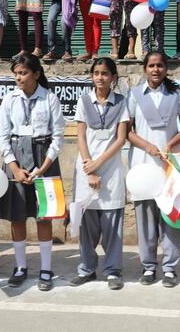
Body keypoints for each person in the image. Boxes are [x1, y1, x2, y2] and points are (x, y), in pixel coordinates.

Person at [0, 53, 65, 290]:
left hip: (43, 157)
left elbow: (57, 136)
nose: (18, 77)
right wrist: (14, 167)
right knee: (17, 216)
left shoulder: (50, 99)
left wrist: (44, 166)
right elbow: (3, 137)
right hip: (16, 158)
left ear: (36, 74)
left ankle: (45, 269)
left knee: (43, 215)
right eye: (16, 73)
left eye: (23, 73)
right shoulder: (9, 100)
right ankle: (21, 266)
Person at [127, 52, 180, 287]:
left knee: (170, 216)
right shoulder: (134, 95)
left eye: (160, 65)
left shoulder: (176, 94)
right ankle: (148, 266)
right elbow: (128, 131)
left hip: (170, 164)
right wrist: (148, 145)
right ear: (145, 69)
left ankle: (170, 267)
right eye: (151, 65)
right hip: (143, 165)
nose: (156, 70)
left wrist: (171, 144)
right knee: (145, 219)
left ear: (166, 68)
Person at [69, 58, 130, 290]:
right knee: (87, 224)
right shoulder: (84, 101)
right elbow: (81, 136)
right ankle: (86, 269)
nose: (100, 77)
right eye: (96, 73)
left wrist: (99, 163)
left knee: (112, 224)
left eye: (105, 73)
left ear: (113, 77)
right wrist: (89, 165)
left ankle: (113, 270)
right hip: (86, 168)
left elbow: (121, 138)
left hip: (111, 169)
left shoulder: (121, 102)